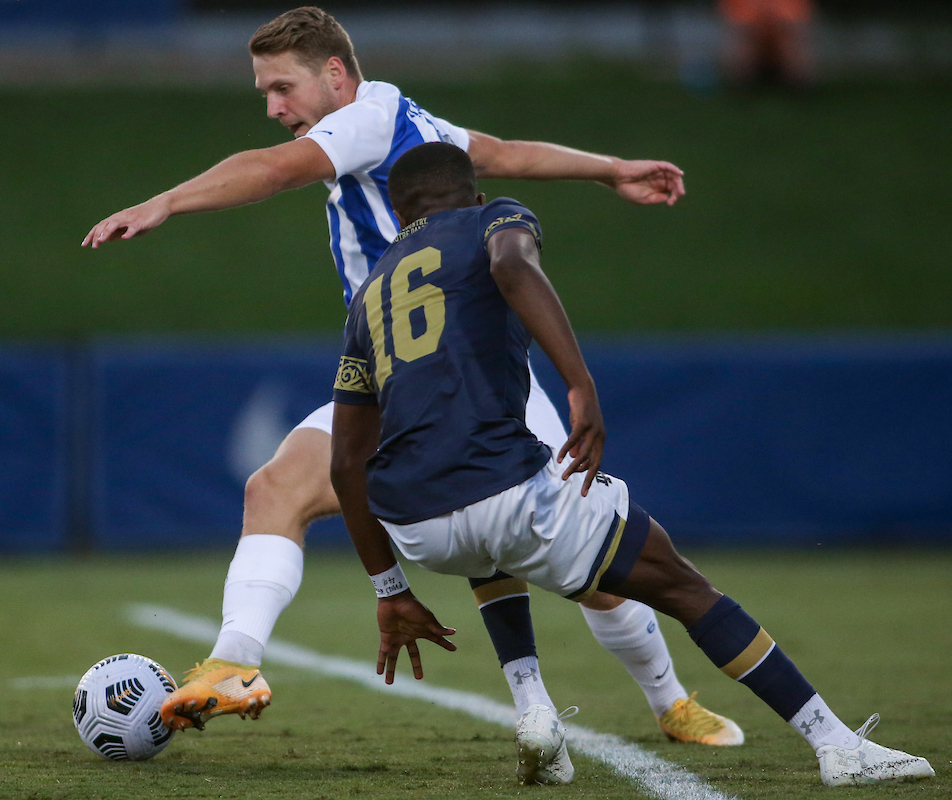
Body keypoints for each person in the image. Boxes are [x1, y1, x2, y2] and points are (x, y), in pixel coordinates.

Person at [82, 6, 741, 748]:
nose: (273, 108)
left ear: (336, 74)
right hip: (402, 383)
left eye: (281, 87)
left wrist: (165, 200)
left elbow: (270, 171)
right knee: (275, 488)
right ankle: (235, 659)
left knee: (593, 569)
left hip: (477, 383)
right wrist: (610, 169)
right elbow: (504, 152)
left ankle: (670, 700)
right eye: (264, 93)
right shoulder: (404, 121)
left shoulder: (364, 120)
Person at [328, 141, 935, 787]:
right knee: (681, 585)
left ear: (397, 217)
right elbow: (510, 265)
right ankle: (835, 744)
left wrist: (389, 590)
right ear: (473, 195)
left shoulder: (368, 294)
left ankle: (533, 708)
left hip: (417, 525)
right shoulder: (492, 219)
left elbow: (344, 463)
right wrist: (580, 384)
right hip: (500, 488)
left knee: (491, 541)